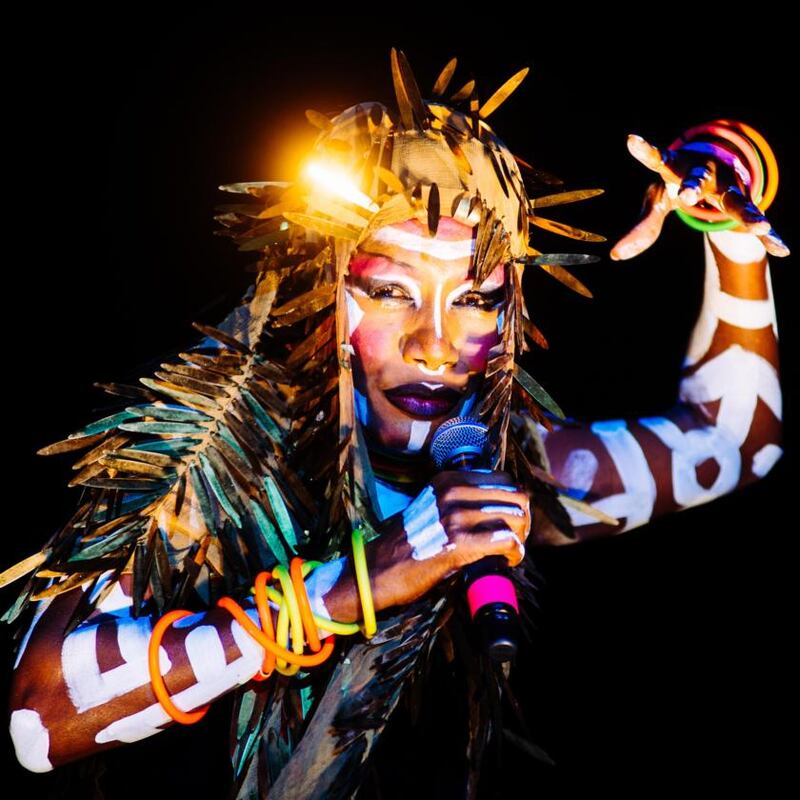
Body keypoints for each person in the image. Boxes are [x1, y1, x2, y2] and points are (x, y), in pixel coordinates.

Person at [2, 47, 787, 798]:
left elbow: (732, 445)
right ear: (322, 293)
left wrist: (732, 242)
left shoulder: (494, 472)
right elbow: (40, 721)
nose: (438, 345)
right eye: (392, 291)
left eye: (477, 301)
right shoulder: (218, 456)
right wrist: (358, 582)